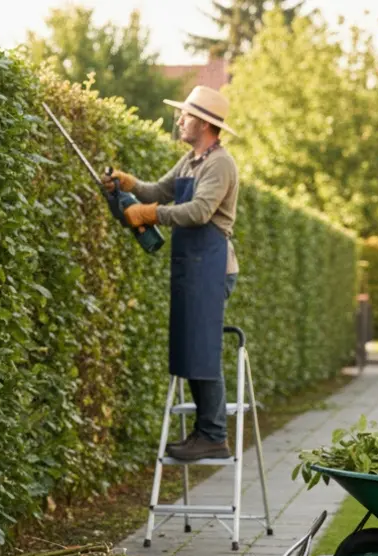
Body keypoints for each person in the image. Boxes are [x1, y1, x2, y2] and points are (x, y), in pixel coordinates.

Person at [103, 85, 242, 462]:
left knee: (202, 345)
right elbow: (157, 191)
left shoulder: (220, 164)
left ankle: (213, 434)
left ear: (203, 123)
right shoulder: (190, 161)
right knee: (189, 344)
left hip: (213, 266)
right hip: (191, 266)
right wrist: (129, 186)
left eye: (185, 115)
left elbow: (198, 212)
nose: (179, 119)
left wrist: (150, 215)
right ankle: (204, 431)